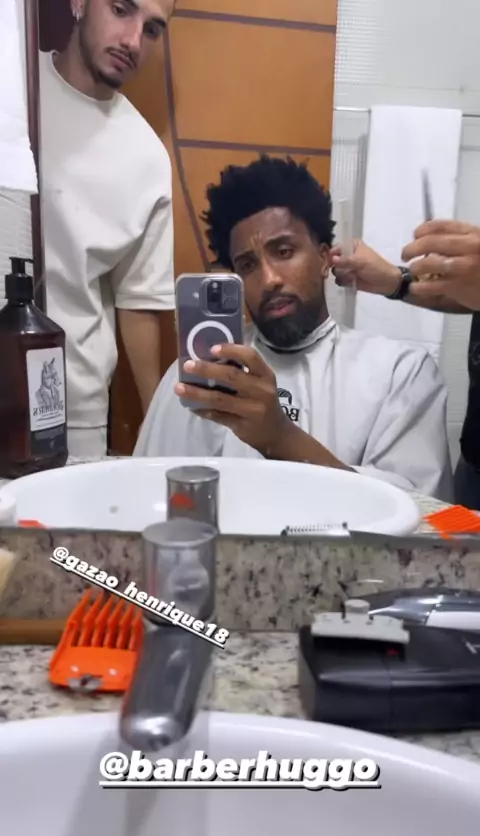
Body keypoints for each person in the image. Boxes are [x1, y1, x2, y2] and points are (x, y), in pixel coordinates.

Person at [135, 155, 453, 501]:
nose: (269, 279)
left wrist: (280, 437)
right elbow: (145, 497)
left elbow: (422, 515)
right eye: (248, 265)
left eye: (284, 251)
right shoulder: (194, 377)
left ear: (323, 258)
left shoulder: (398, 374)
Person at [38, 0, 176, 457]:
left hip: (73, 414)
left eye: (152, 29)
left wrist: (158, 437)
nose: (133, 41)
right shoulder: (15, 90)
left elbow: (139, 301)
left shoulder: (146, 159)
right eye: (121, 9)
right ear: (79, 3)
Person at [330, 220, 480, 509]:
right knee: (453, 532)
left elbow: (418, 504)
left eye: (285, 252)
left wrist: (282, 438)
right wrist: (398, 282)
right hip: (473, 464)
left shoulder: (406, 369)